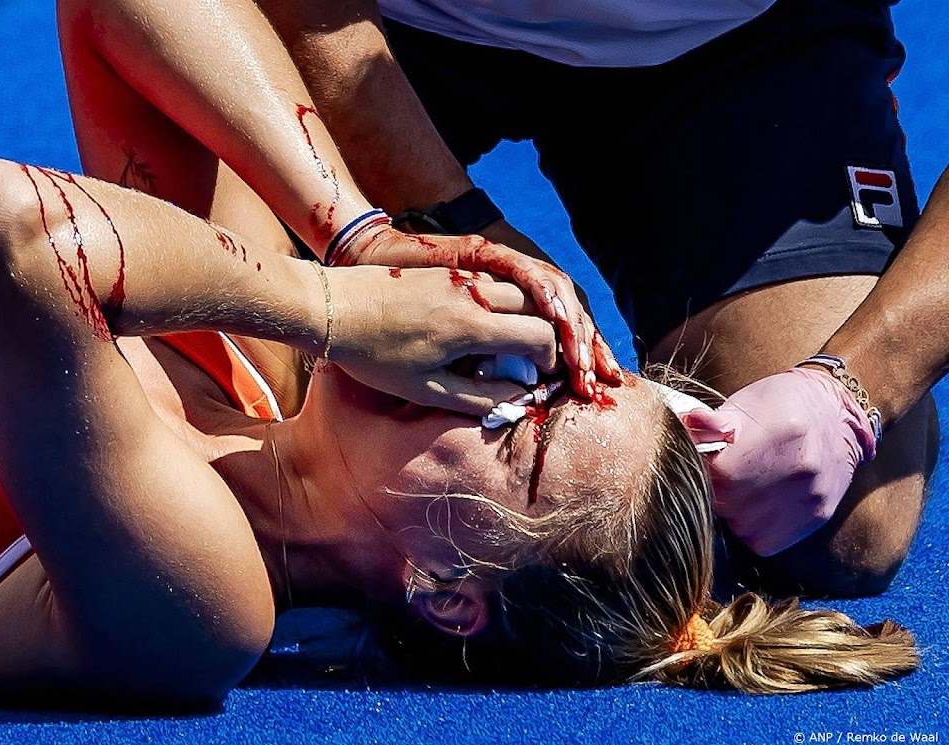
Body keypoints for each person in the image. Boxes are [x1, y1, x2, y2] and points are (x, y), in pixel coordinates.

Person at [0, 158, 919, 704]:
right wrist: (369, 240)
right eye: (546, 372)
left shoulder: (207, 605)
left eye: (516, 428)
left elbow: (15, 223)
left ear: (447, 594)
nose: (477, 381)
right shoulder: (229, 348)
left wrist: (338, 302)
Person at [229, 0, 940, 596]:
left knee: (848, 519)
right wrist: (430, 223)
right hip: (384, 18)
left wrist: (856, 385)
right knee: (206, 338)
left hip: (733, 37)